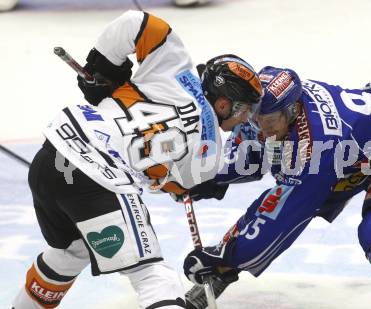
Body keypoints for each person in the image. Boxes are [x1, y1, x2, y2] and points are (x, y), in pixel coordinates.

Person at [11, 10, 262, 309]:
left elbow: (137, 23)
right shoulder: (210, 150)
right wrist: (195, 187)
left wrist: (104, 69)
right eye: (245, 109)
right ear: (223, 103)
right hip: (99, 173)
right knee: (153, 276)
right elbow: (182, 186)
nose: (247, 118)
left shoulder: (175, 69)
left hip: (53, 153)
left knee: (70, 253)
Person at [182, 66, 371, 309]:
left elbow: (280, 218)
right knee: (299, 194)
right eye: (255, 117)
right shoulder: (265, 105)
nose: (261, 128)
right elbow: (251, 155)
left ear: (293, 110)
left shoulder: (313, 146)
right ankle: (225, 269)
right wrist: (205, 177)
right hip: (359, 147)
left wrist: (224, 255)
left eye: (269, 120)